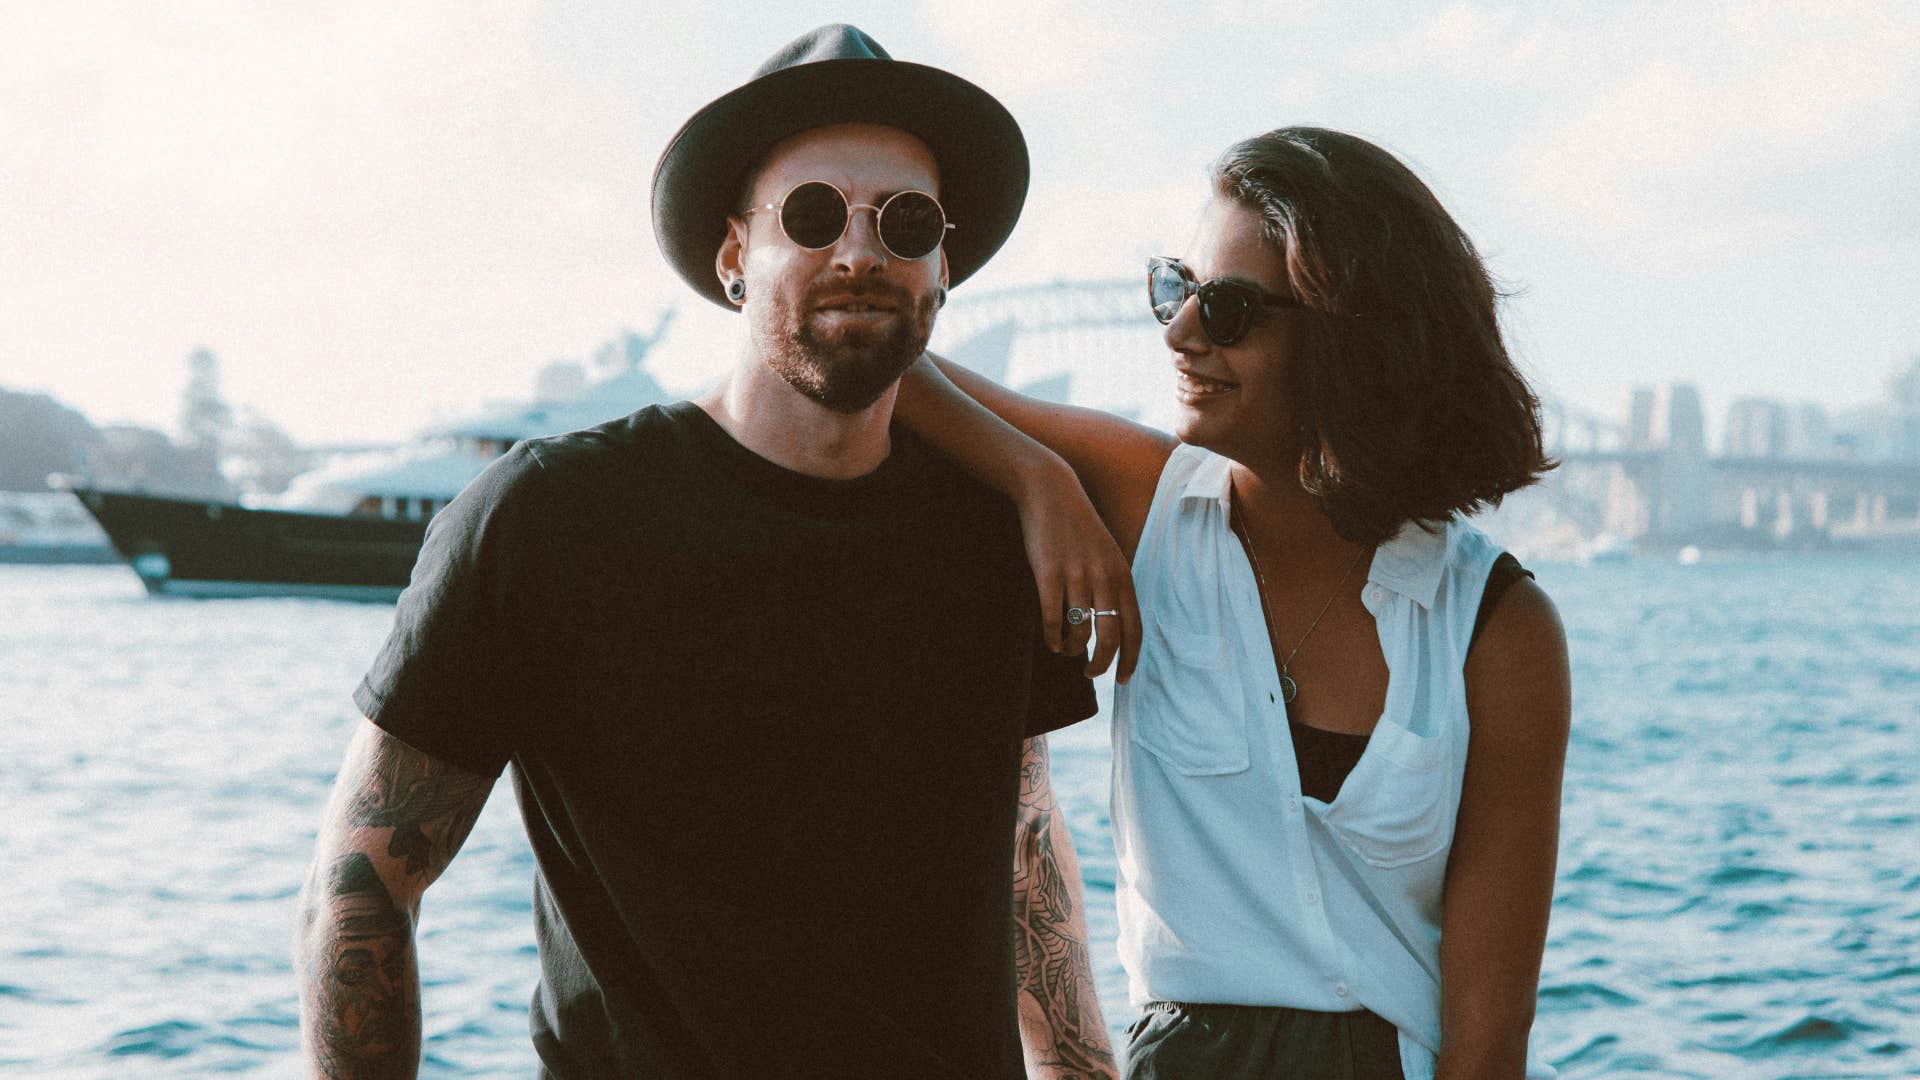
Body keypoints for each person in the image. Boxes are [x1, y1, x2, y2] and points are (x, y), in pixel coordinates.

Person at [294, 25, 1118, 1079]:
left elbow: (1025, 855)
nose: (860, 250)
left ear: (942, 265)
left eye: (904, 221)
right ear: (735, 257)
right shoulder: (550, 518)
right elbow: (361, 884)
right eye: (813, 214)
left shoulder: (993, 532)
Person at [894, 127, 1572, 1078]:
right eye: (1175, 288)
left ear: (1354, 336)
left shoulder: (1495, 629)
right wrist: (1037, 478)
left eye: (1228, 308)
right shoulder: (1147, 505)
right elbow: (889, 356)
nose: (1180, 331)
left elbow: (1489, 1039)